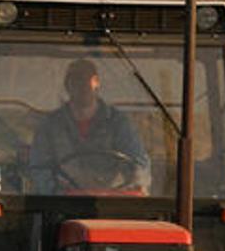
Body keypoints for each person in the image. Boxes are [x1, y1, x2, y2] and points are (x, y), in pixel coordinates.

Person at [29, 58, 150, 194]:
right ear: (67, 86)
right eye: (76, 81)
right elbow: (39, 168)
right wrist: (56, 193)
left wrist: (136, 187)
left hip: (109, 202)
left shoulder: (118, 122)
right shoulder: (50, 125)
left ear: (96, 82)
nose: (83, 86)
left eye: (86, 80)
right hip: (63, 204)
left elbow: (138, 163)